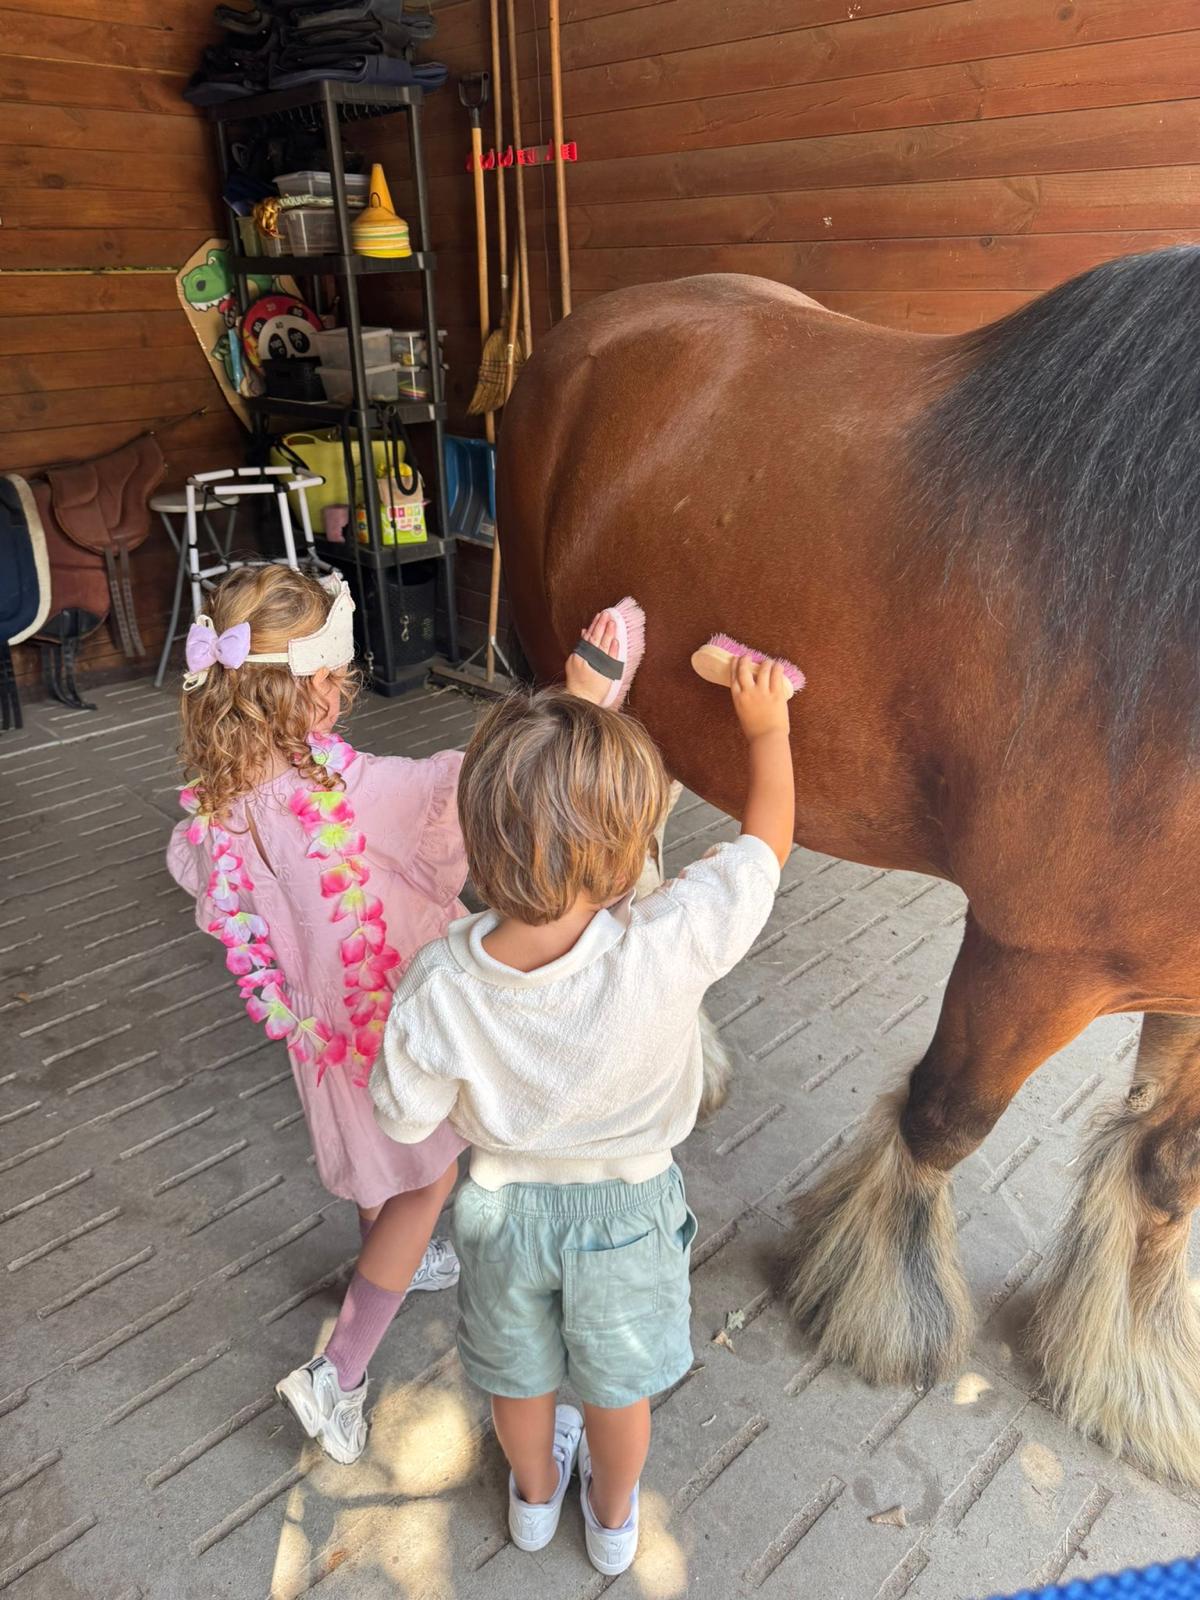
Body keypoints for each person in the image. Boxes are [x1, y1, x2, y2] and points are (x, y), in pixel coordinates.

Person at [369, 639, 796, 1575]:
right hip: (629, 1212)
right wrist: (766, 730)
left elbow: (404, 1118)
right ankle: (609, 1519)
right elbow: (763, 849)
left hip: (500, 1213)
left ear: (479, 844)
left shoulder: (438, 980)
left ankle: (530, 1503)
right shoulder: (667, 941)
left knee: (517, 1380)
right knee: (616, 1392)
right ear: (624, 862)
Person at [166, 565, 466, 1466]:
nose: (347, 690)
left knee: (382, 1160)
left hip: (321, 1032)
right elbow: (451, 794)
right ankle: (339, 1373)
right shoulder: (354, 789)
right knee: (427, 1178)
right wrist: (559, 716)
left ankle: (395, 1259)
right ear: (312, 688)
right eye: (340, 675)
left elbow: (204, 885)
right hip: (391, 1023)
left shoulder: (216, 812)